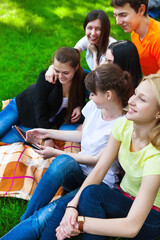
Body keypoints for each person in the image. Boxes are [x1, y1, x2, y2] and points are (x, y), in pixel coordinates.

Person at [0, 64, 133, 240]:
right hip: (79, 173)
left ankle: (30, 222)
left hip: (98, 184)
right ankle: (26, 218)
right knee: (64, 162)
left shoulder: (121, 125)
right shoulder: (95, 108)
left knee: (43, 218)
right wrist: (46, 132)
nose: (90, 97)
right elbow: (82, 135)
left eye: (93, 94)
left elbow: (97, 161)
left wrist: (55, 152)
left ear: (108, 95)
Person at [51, 73, 160, 240]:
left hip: (150, 217)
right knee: (66, 205)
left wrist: (78, 224)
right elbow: (100, 168)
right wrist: (72, 206)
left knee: (92, 195)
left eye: (142, 99)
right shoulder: (124, 125)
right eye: (135, 94)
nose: (131, 101)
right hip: (122, 196)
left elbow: (131, 227)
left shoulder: (156, 157)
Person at [0, 47, 86, 145]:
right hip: (20, 107)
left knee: (4, 141)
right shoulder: (46, 77)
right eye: (57, 71)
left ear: (76, 67)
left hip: (35, 122)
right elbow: (40, 107)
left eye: (66, 73)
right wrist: (47, 138)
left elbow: (86, 96)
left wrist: (79, 106)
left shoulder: (81, 80)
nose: (61, 76)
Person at [45, 10, 116, 83]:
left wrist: (95, 53)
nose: (93, 33)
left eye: (99, 29)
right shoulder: (88, 39)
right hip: (96, 79)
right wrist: (52, 67)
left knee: (71, 72)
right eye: (90, 28)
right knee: (66, 71)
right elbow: (70, 54)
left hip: (107, 84)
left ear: (105, 30)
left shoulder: (111, 48)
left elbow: (97, 77)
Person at [110, 0, 160, 76]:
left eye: (123, 15)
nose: (118, 22)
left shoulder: (157, 39)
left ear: (141, 10)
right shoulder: (135, 34)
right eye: (115, 15)